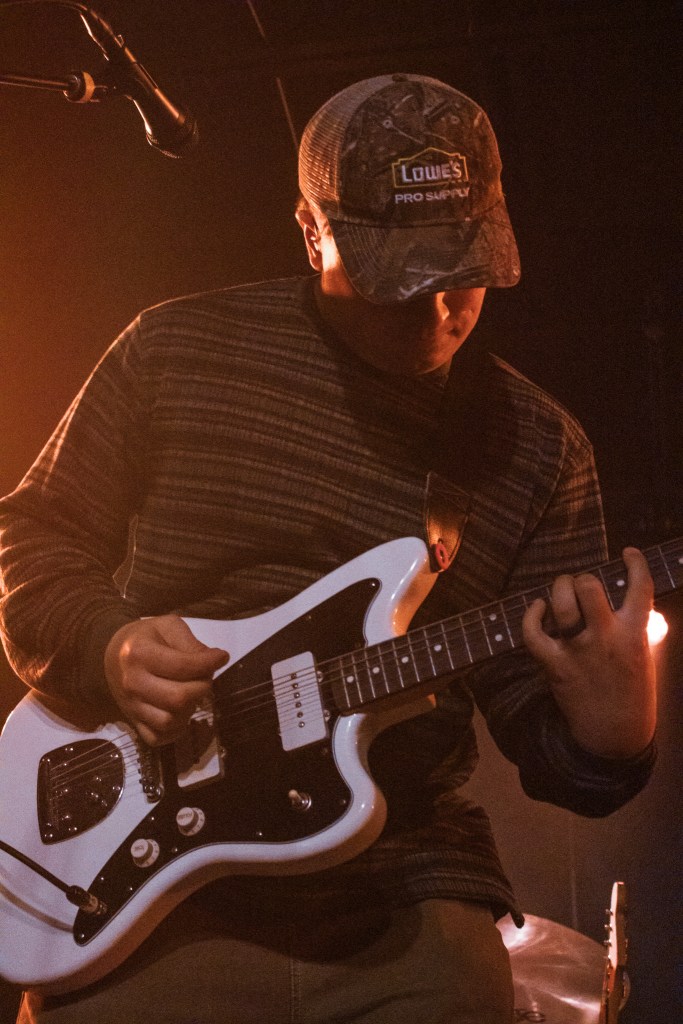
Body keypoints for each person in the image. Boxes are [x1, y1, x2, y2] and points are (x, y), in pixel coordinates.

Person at [0, 73, 656, 1024]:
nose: (436, 311)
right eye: (399, 280)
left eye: (461, 272)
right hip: (143, 886)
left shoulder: (538, 445)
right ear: (311, 232)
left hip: (406, 887)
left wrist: (612, 734)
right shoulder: (176, 351)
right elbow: (30, 534)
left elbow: (550, 744)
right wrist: (108, 643)